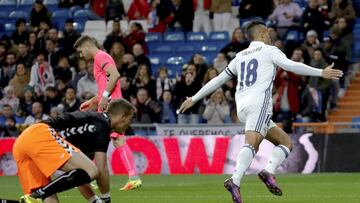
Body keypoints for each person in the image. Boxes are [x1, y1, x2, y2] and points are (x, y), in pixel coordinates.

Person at [178, 21, 343, 203]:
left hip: (242, 107)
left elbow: (217, 80)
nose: (271, 36)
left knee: (286, 142)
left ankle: (268, 171)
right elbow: (291, 66)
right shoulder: (269, 51)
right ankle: (235, 180)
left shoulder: (240, 56)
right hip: (259, 104)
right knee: (252, 144)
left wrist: (194, 98)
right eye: (269, 33)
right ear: (263, 34)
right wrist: (321, 72)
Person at [14, 99, 135, 203]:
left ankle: (36, 196)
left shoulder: (93, 125)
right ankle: (38, 195)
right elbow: (101, 169)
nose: (129, 125)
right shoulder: (103, 125)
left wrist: (94, 200)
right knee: (92, 169)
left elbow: (78, 176)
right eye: (130, 119)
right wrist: (106, 199)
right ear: (122, 117)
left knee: (49, 197)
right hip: (41, 133)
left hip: (23, 141)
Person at [74, 35, 142, 190]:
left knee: (108, 141)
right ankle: (130, 177)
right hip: (110, 106)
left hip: (112, 108)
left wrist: (104, 97)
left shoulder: (101, 56)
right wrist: (94, 100)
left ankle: (91, 176)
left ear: (86, 47)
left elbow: (115, 76)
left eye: (80, 51)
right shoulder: (100, 58)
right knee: (101, 141)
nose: (80, 55)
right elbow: (107, 85)